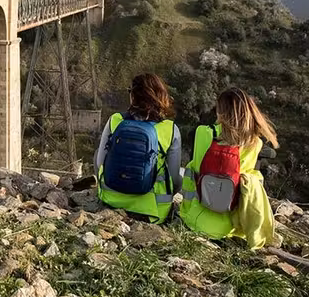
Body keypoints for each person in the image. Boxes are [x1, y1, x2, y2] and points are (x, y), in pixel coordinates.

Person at [179, 88, 279, 249]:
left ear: (221, 111)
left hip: (194, 220)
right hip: (230, 229)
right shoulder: (254, 143)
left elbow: (194, 169)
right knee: (252, 178)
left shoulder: (202, 133)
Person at [94, 73, 182, 224]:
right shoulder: (170, 129)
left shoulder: (115, 120)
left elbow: (99, 163)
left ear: (133, 96)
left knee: (98, 153)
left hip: (111, 202)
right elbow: (174, 178)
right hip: (152, 212)